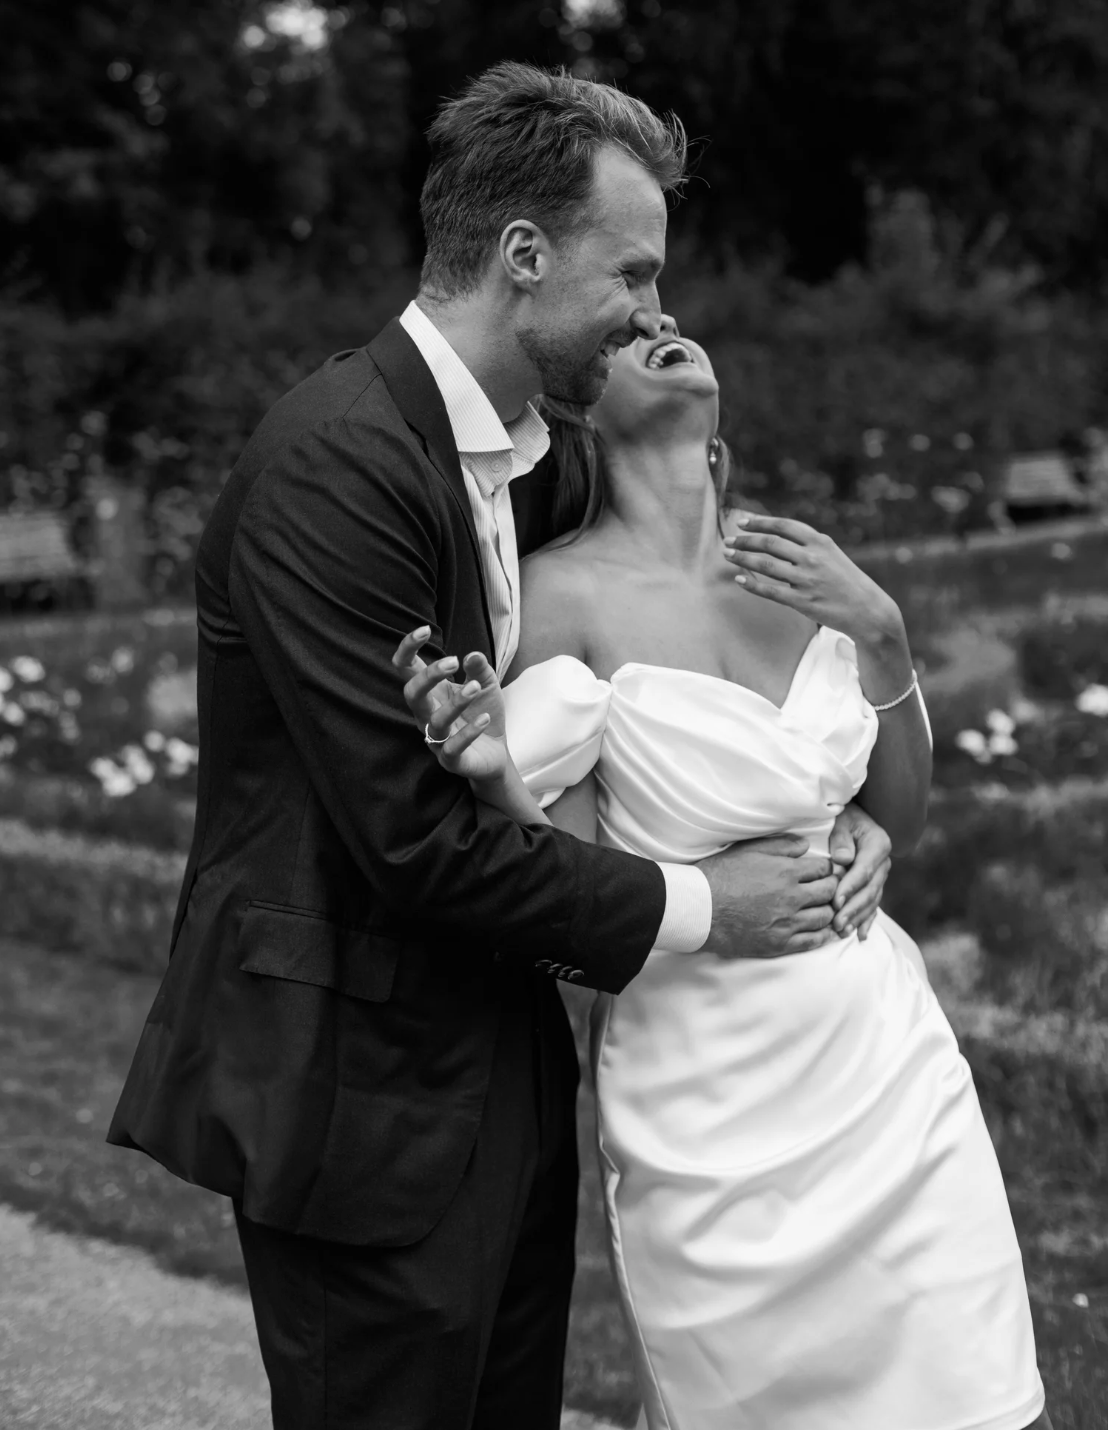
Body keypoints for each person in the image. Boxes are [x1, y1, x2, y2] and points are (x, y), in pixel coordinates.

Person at [107, 64, 893, 1430]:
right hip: (351, 1089)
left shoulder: (538, 456)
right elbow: (414, 840)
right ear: (523, 255)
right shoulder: (336, 466)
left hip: (500, 1081)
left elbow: (669, 579)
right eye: (633, 272)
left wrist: (853, 772)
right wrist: (711, 906)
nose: (654, 310)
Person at [391, 315, 1051, 1429]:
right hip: (706, 1103)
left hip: (886, 1064)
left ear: (718, 431)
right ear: (579, 415)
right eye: (630, 328)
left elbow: (899, 813)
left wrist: (883, 636)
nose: (661, 323)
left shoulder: (805, 571)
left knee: (974, 1393)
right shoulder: (559, 597)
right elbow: (568, 897)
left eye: (671, 319)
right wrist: (499, 777)